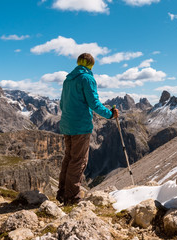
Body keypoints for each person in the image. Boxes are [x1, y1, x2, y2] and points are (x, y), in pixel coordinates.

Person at [57, 53, 119, 205]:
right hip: (81, 126)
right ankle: (72, 198)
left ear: (78, 63)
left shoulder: (68, 79)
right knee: (78, 161)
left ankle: (62, 193)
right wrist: (110, 114)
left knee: (69, 158)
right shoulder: (87, 78)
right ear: (91, 65)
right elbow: (94, 103)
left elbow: (62, 104)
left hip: (67, 124)